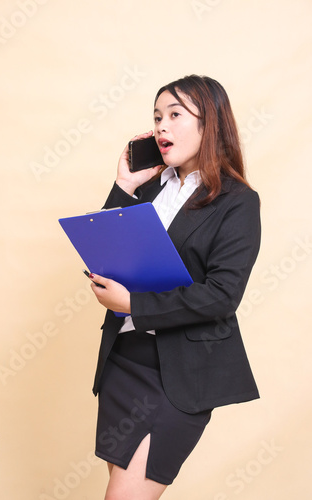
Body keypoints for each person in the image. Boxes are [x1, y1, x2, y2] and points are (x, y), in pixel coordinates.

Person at [89, 74, 261, 500]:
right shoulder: (148, 188)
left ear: (211, 123)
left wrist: (134, 302)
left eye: (175, 114)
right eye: (156, 117)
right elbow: (109, 252)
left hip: (177, 375)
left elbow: (223, 294)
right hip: (124, 362)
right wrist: (125, 187)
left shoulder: (237, 201)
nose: (161, 126)